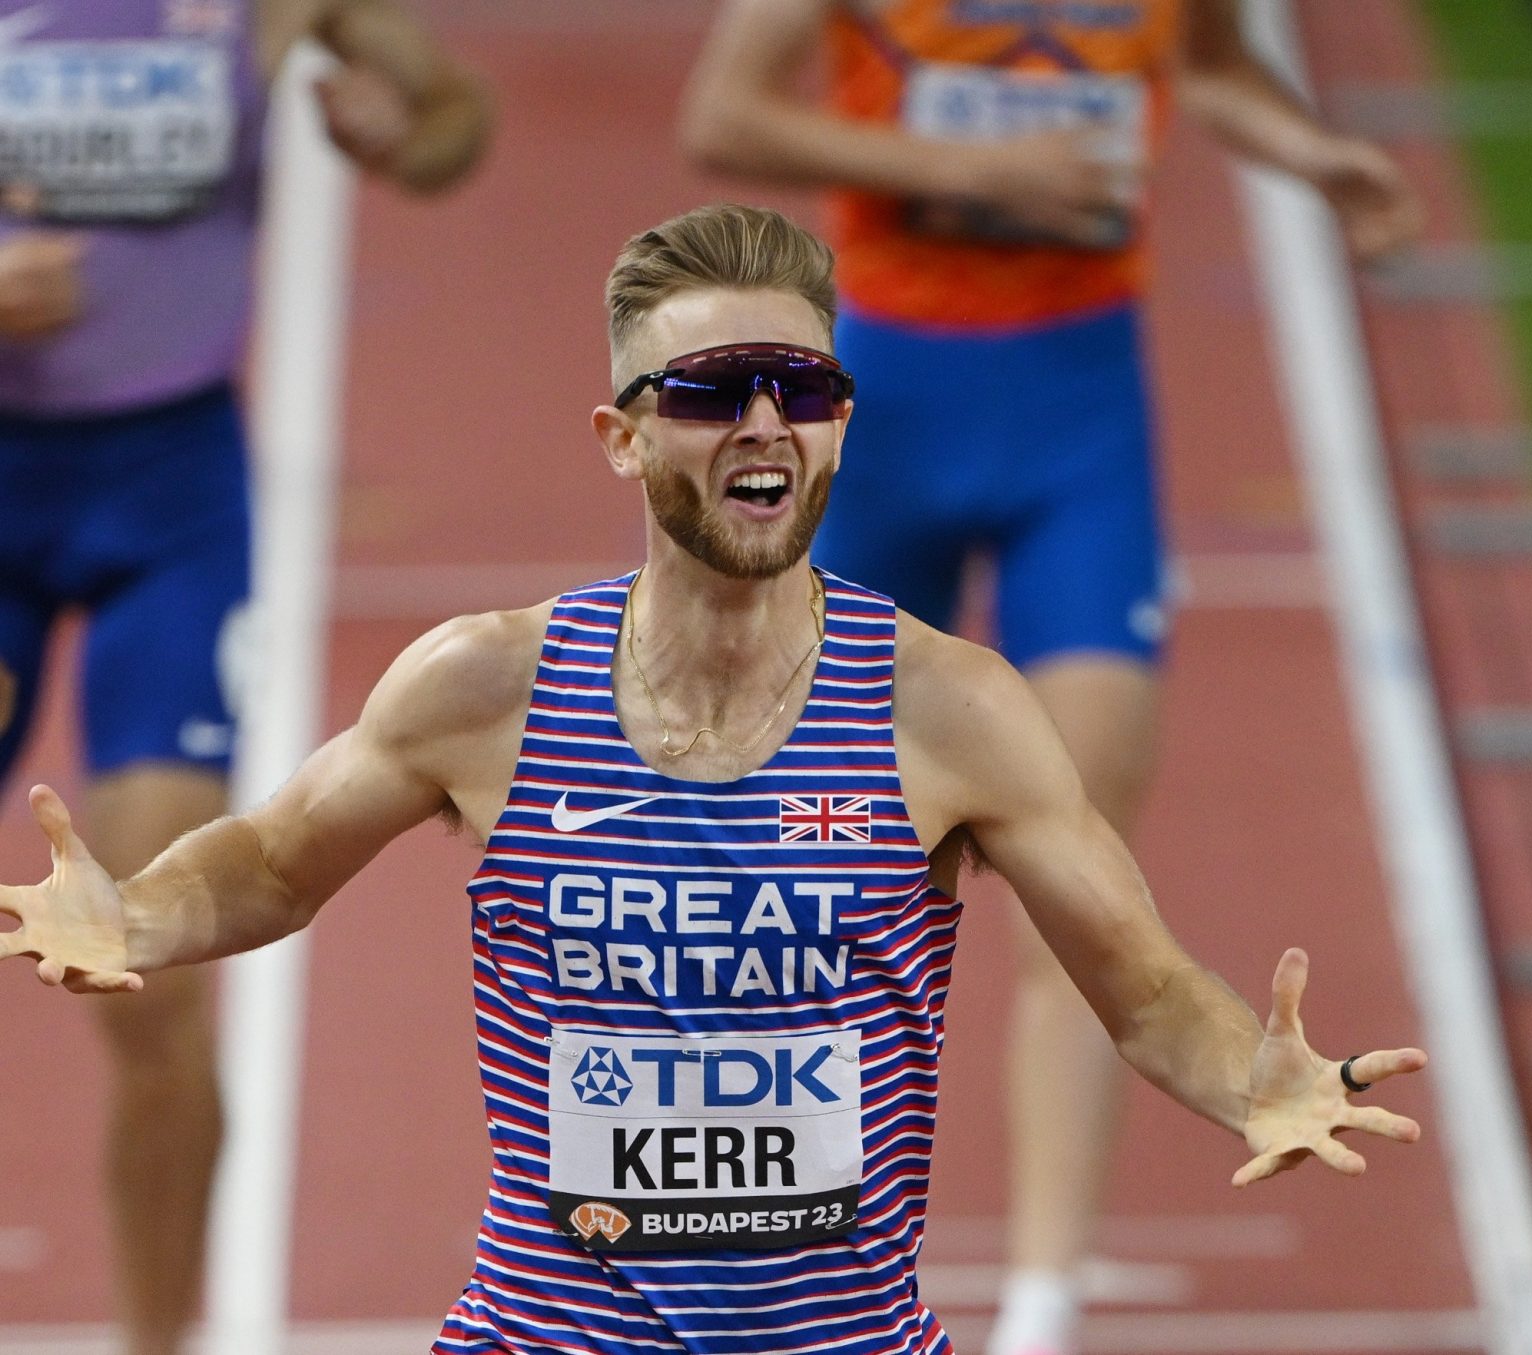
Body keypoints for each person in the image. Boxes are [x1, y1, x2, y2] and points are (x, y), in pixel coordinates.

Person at [0, 202, 1426, 1355]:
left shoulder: (950, 710)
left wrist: (1254, 1078)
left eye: (801, 386)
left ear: (840, 425)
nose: (762, 421)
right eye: (706, 392)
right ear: (621, 434)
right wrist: (136, 915)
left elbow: (1146, 989)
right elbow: (268, 860)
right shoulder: (484, 684)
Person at [676, 5, 1423, 1350]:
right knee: (793, 857)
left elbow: (1211, 64)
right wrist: (973, 176)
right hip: (883, 408)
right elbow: (724, 111)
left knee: (1078, 861)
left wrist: (1320, 155)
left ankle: (1041, 1306)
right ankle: (752, 1260)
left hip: (1080, 418)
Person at [0, 3, 488, 1350]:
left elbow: (459, 116)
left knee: (138, 960)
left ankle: (157, 1341)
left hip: (171, 495)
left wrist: (404, 137)